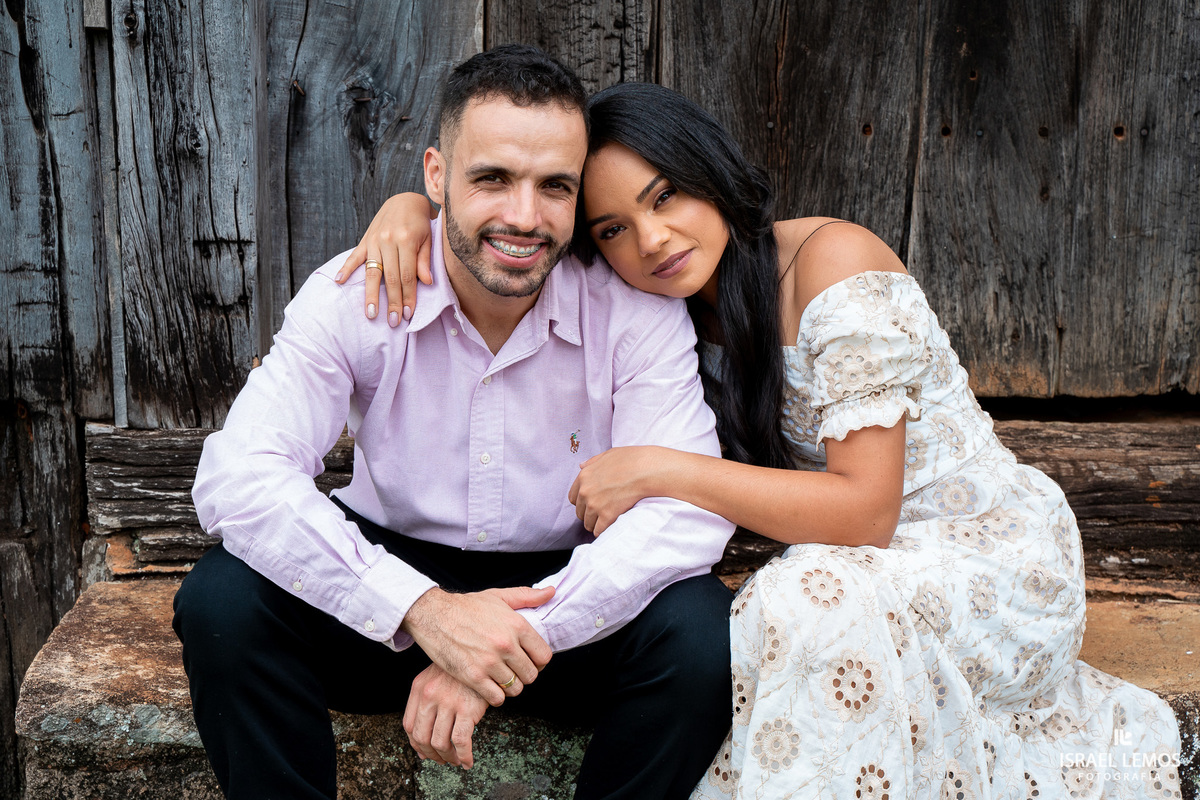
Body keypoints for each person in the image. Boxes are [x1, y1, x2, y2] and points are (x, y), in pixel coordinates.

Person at [342, 81, 1184, 799]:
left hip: (979, 560)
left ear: (710, 172)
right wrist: (413, 209)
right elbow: (511, 226)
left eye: (666, 195)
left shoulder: (831, 263)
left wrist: (666, 471)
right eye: (611, 230)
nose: (652, 241)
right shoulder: (652, 309)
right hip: (837, 564)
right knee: (763, 610)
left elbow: (865, 512)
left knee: (792, 600)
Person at [174, 48, 737, 800]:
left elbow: (682, 519)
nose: (524, 217)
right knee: (222, 603)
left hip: (567, 597)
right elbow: (239, 478)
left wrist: (509, 641)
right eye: (493, 178)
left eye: (555, 187)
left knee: (702, 632)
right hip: (392, 591)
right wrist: (425, 612)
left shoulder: (636, 316)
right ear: (436, 178)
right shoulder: (356, 295)